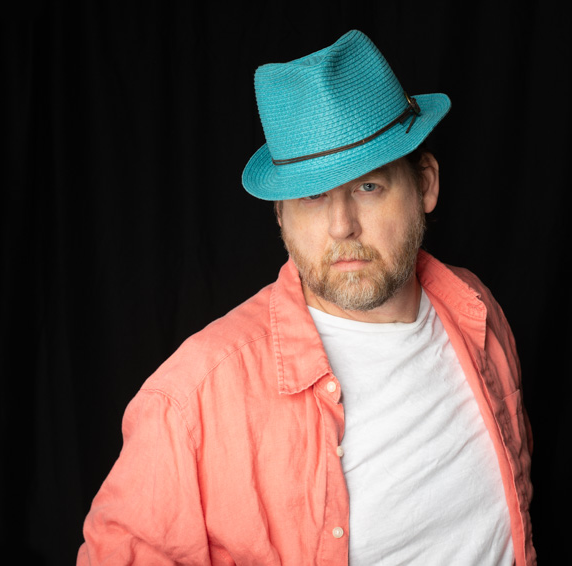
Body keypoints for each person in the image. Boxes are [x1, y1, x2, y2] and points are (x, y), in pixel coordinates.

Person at [76, 30, 535, 565]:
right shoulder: (192, 399)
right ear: (280, 216)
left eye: (369, 186)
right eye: (313, 196)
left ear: (426, 184)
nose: (341, 226)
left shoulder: (475, 310)